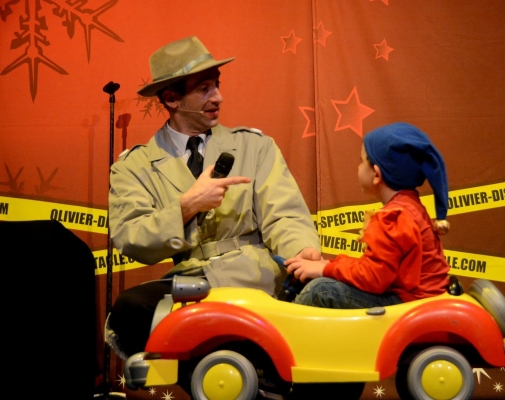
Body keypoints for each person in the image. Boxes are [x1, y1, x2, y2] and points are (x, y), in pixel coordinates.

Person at [107, 36, 321, 357]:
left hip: (254, 277)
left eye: (216, 85)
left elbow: (284, 216)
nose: (218, 97)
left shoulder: (255, 146)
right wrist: (186, 206)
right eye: (204, 88)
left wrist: (302, 251)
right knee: (131, 308)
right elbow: (131, 237)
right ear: (172, 98)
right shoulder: (133, 166)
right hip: (189, 283)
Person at [285, 122, 450, 309]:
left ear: (377, 175)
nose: (358, 167)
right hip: (413, 299)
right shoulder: (409, 206)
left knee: (321, 290)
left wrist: (325, 269)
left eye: (362, 161)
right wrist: (329, 265)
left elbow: (373, 278)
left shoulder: (393, 217)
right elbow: (376, 267)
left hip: (411, 304)